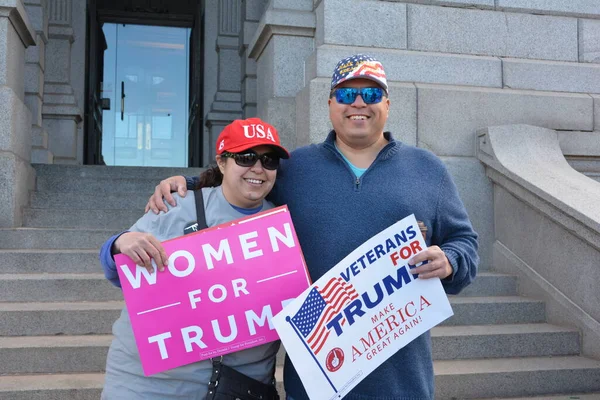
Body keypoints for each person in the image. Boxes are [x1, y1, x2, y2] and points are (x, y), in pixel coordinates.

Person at [113, 55, 479, 399]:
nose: (358, 103)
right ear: (330, 104)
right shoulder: (295, 167)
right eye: (346, 94)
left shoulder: (428, 169)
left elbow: (465, 242)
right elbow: (245, 179)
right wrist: (186, 185)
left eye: (370, 94)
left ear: (387, 104)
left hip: (400, 378)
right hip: (314, 379)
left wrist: (450, 260)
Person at [99, 117, 290, 399]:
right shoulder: (177, 205)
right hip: (152, 385)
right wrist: (119, 243)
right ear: (222, 163)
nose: (258, 168)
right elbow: (119, 272)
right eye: (246, 157)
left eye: (269, 160)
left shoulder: (283, 223)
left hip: (237, 387)